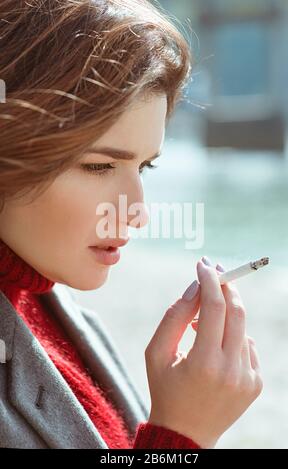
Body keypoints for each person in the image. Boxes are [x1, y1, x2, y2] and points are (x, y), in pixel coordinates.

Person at [0, 0, 263, 449]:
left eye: (144, 168)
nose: (137, 212)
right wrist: (182, 435)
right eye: (100, 166)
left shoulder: (56, 308)